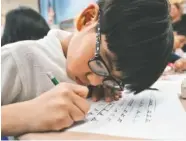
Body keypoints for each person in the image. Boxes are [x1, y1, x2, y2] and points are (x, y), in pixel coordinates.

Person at [1, 0, 173, 136]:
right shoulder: (18, 59)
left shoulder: (96, 82)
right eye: (101, 61)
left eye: (112, 80)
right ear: (88, 18)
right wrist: (26, 115)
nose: (95, 80)